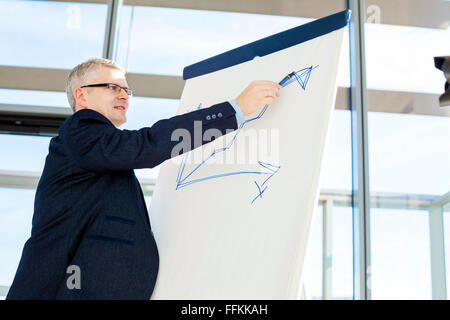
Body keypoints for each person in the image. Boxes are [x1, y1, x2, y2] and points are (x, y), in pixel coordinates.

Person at [6, 58, 281, 300]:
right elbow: (145, 145)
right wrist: (234, 109)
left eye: (127, 89)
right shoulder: (82, 130)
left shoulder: (95, 154)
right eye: (112, 87)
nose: (124, 95)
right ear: (82, 96)